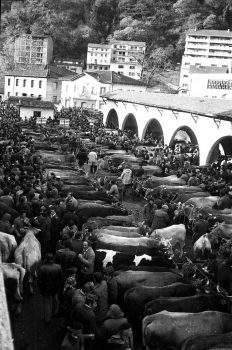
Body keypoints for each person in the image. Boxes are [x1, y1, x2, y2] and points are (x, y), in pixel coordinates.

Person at [37, 253, 63, 323]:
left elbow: (39, 280)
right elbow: (61, 278)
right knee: (55, 299)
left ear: (46, 259)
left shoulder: (42, 268)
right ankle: (55, 312)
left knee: (47, 303)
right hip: (56, 287)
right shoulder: (58, 267)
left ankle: (47, 319)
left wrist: (40, 288)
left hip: (46, 288)